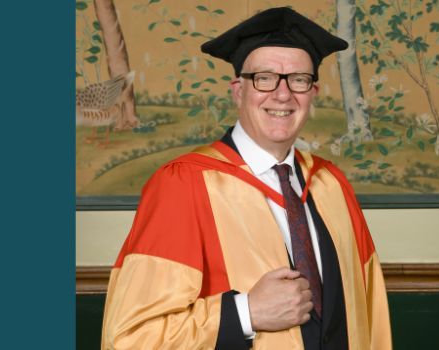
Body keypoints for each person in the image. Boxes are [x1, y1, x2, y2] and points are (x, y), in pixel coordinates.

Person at [101, 7, 392, 349]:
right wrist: (245, 313)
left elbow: (370, 321)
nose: (283, 94)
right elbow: (130, 339)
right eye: (264, 78)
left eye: (299, 79)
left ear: (313, 93)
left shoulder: (331, 185)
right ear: (238, 90)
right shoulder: (184, 186)